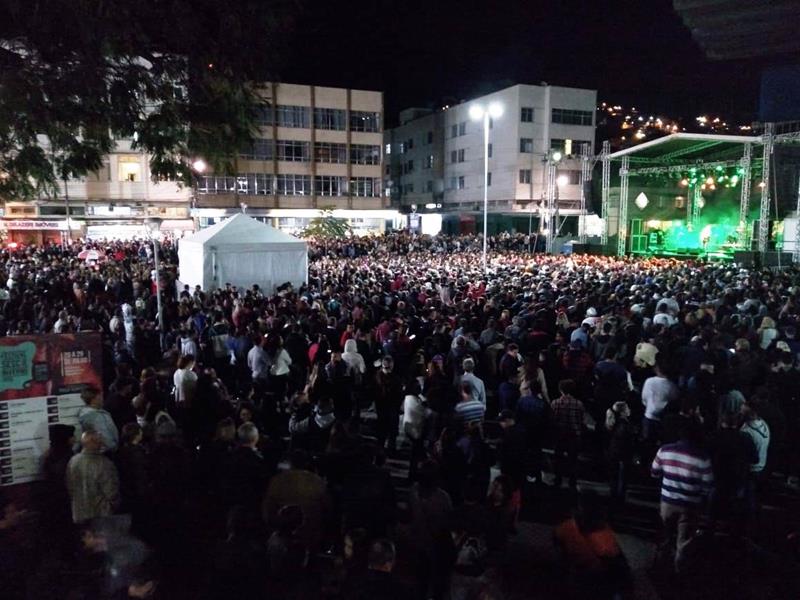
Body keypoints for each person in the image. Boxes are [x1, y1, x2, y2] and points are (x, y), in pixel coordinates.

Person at [651, 422, 714, 563]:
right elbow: (708, 485)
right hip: (690, 505)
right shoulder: (702, 457)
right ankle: (679, 571)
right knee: (684, 542)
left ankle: (659, 565)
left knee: (664, 536)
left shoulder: (665, 450)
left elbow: (654, 472)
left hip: (667, 501)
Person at [65, 431, 120, 523]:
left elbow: (70, 486)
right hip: (101, 514)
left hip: (79, 513)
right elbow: (111, 491)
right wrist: (114, 505)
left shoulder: (73, 461)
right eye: (99, 441)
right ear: (93, 442)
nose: (102, 443)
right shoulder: (104, 463)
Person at [551, 379, 585, 489]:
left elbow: (553, 419)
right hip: (574, 435)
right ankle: (572, 481)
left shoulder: (555, 403)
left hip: (560, 434)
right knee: (573, 460)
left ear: (561, 390)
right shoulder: (579, 404)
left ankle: (558, 479)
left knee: (558, 458)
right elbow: (581, 420)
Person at [605, 401, 634, 509]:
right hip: (623, 452)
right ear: (623, 412)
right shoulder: (624, 425)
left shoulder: (612, 422)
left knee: (614, 476)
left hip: (613, 451)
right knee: (622, 476)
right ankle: (619, 500)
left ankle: (613, 496)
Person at [77, 386, 119, 453]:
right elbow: (104, 435)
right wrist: (113, 447)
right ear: (93, 399)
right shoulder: (94, 416)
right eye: (100, 396)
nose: (102, 399)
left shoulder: (94, 413)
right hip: (104, 452)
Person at [375, 356, 404, 453]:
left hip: (385, 407)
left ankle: (384, 449)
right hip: (388, 407)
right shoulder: (395, 378)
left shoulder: (378, 376)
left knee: (385, 430)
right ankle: (388, 449)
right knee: (388, 430)